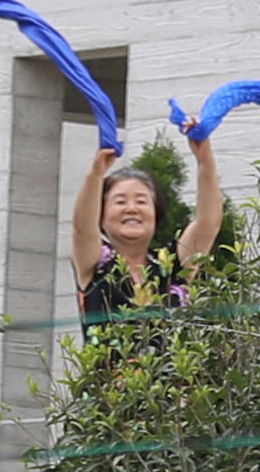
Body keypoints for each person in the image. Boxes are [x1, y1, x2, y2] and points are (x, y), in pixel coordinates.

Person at [72, 126, 223, 342]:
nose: (132, 209)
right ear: (101, 216)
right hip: (109, 376)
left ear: (155, 213)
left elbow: (209, 224)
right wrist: (96, 174)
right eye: (120, 202)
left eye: (142, 201)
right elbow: (81, 230)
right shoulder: (95, 264)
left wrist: (205, 160)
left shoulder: (171, 265)